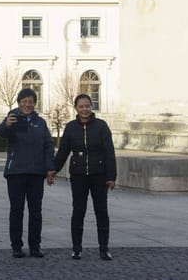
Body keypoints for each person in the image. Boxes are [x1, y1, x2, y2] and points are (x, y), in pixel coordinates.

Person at [50, 93, 117, 260]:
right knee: (78, 211)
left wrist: (111, 176)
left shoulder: (101, 126)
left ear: (91, 107)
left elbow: (109, 152)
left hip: (99, 175)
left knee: (101, 211)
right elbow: (63, 151)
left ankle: (103, 248)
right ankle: (77, 248)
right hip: (79, 175)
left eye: (87, 106)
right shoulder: (71, 127)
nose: (84, 109)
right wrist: (53, 170)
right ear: (76, 108)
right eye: (81, 106)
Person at [0, 87, 55, 258]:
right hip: (16, 172)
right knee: (16, 210)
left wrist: (50, 168)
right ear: (19, 102)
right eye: (24, 101)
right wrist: (7, 124)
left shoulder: (40, 122)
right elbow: (1, 132)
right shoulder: (12, 118)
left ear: (35, 103)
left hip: (36, 173)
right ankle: (16, 246)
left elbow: (48, 146)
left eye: (31, 101)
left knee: (36, 211)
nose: (27, 104)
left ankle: (35, 246)